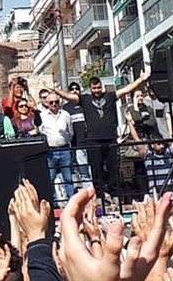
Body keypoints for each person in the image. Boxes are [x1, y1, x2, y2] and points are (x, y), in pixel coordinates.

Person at [58, 70, 149, 202]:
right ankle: (100, 195)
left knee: (113, 168)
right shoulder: (85, 99)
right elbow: (68, 97)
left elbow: (125, 90)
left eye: (99, 87)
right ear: (90, 88)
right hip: (93, 140)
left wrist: (140, 80)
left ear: (102, 87)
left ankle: (115, 194)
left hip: (110, 138)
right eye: (94, 88)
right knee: (96, 169)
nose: (97, 90)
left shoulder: (110, 96)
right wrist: (55, 90)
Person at [36, 87, 76, 203]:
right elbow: (40, 131)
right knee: (50, 178)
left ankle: (72, 201)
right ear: (47, 103)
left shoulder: (66, 115)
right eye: (51, 102)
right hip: (50, 151)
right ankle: (53, 203)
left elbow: (71, 132)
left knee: (68, 178)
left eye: (56, 102)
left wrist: (65, 140)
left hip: (65, 149)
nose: (54, 104)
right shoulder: (42, 116)